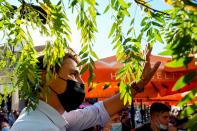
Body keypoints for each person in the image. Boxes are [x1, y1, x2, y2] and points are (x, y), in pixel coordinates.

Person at [10, 45, 161, 131]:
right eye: (73, 74)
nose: (81, 82)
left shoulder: (51, 116)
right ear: (45, 77)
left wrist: (139, 84)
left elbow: (98, 112)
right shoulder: (38, 128)